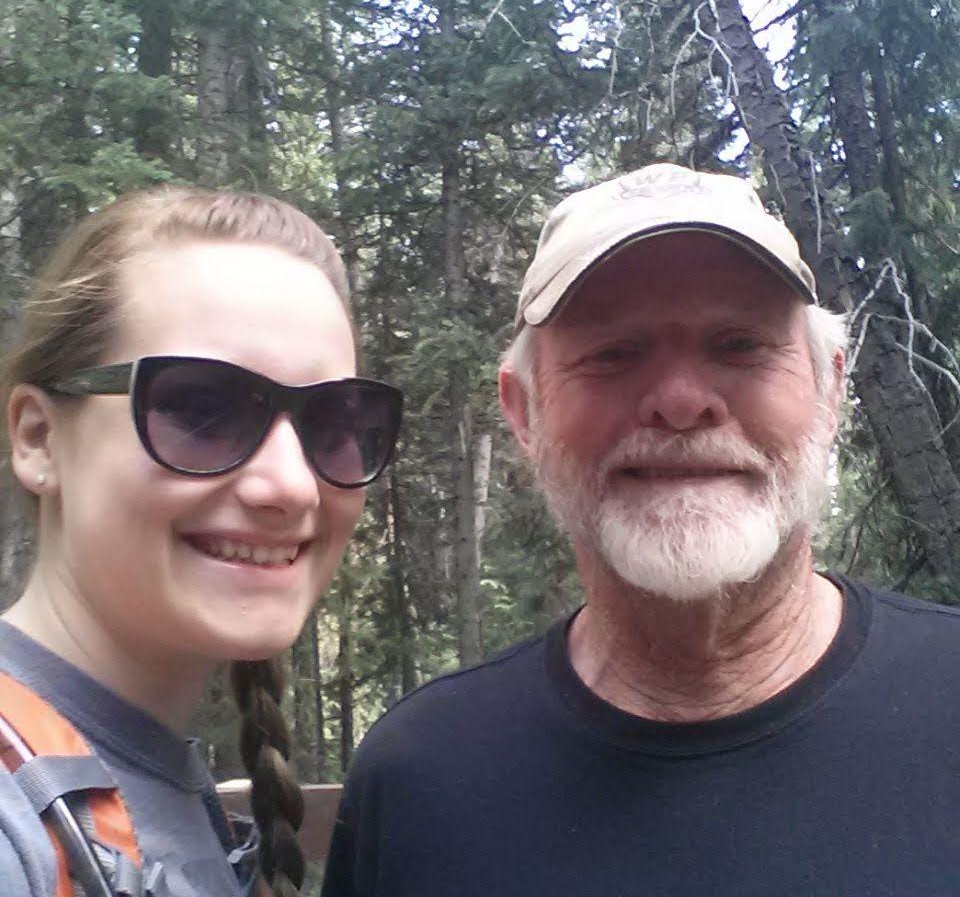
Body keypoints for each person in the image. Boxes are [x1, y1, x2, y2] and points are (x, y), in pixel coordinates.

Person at [321, 163, 960, 896]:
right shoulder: (419, 776)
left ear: (830, 388)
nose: (681, 403)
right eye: (613, 354)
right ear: (524, 412)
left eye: (739, 345)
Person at [0, 186, 403, 897]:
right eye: (200, 409)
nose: (292, 486)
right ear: (39, 438)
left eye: (335, 422)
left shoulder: (154, 790)